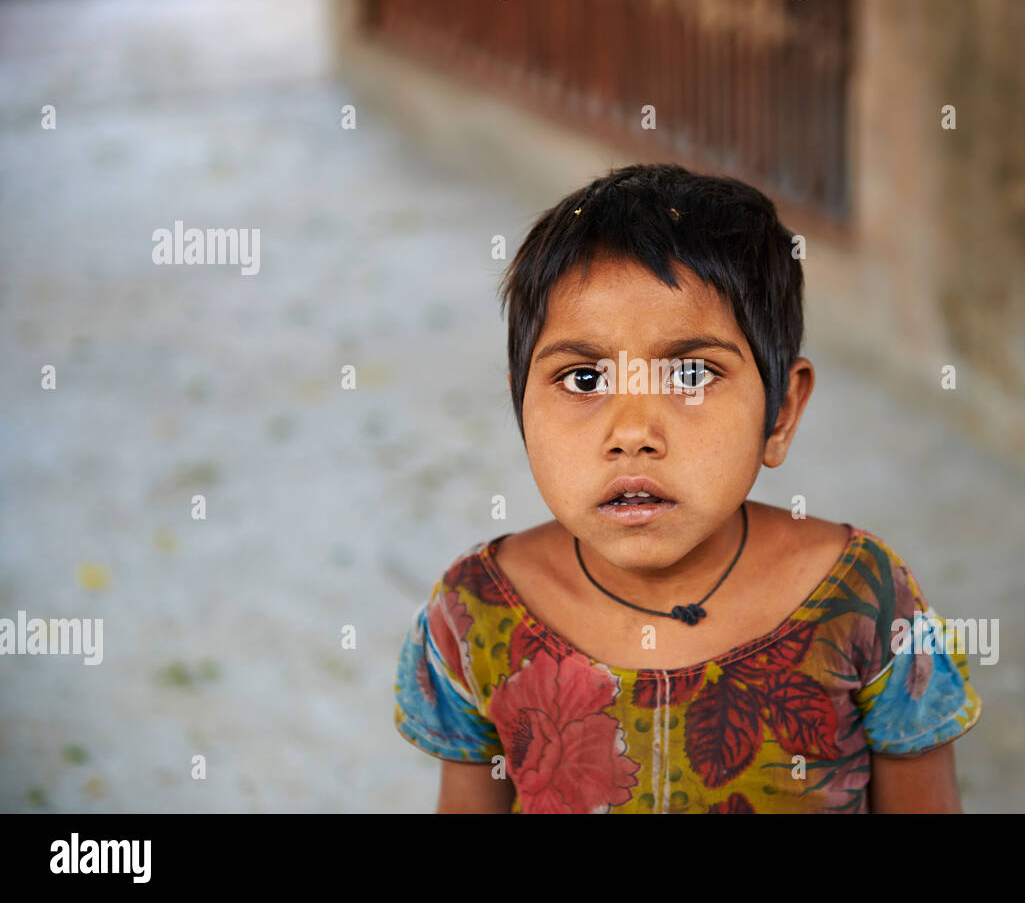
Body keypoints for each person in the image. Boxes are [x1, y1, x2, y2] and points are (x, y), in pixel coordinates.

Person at [392, 163, 982, 813]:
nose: (634, 432)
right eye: (584, 379)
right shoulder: (474, 613)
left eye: (692, 373)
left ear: (780, 413)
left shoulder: (862, 598)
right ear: (520, 404)